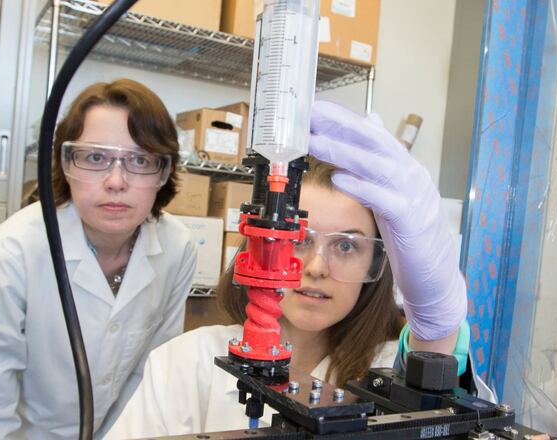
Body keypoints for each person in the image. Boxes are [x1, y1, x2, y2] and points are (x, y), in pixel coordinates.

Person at [104, 101, 492, 438]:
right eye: (299, 237)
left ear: (376, 263)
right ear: (259, 245)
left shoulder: (390, 366)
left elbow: (455, 422)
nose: (317, 267)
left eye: (346, 245)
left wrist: (438, 330)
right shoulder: (185, 362)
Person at [0, 79, 197, 439]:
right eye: (95, 157)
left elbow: (151, 373)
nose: (116, 181)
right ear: (65, 163)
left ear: (164, 172)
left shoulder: (177, 248)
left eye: (140, 160)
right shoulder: (8, 254)